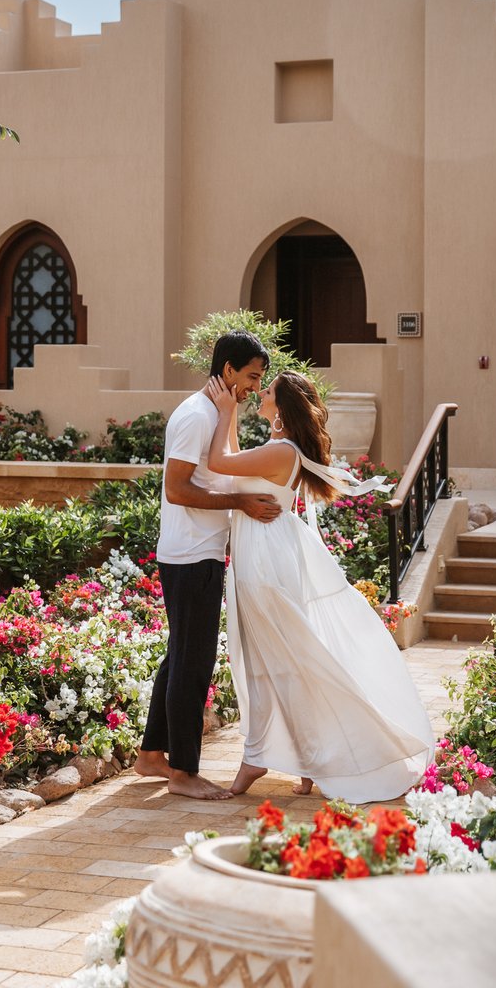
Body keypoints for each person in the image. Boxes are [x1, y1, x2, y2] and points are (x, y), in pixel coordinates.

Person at [206, 370, 435, 803]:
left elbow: (219, 463)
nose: (260, 393)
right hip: (267, 552)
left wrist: (225, 410)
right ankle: (306, 762)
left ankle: (261, 756)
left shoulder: (281, 452)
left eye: (268, 391)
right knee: (282, 661)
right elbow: (234, 461)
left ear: (283, 407)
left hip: (264, 560)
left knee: (276, 661)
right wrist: (230, 416)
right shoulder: (278, 450)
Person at [134, 331, 283, 800]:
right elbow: (177, 489)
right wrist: (239, 502)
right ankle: (183, 772)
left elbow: (228, 462)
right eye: (251, 377)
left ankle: (151, 756)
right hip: (191, 554)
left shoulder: (214, 413)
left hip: (199, 551)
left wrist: (231, 412)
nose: (256, 387)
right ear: (228, 372)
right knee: (193, 663)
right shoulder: (196, 417)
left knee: (181, 654)